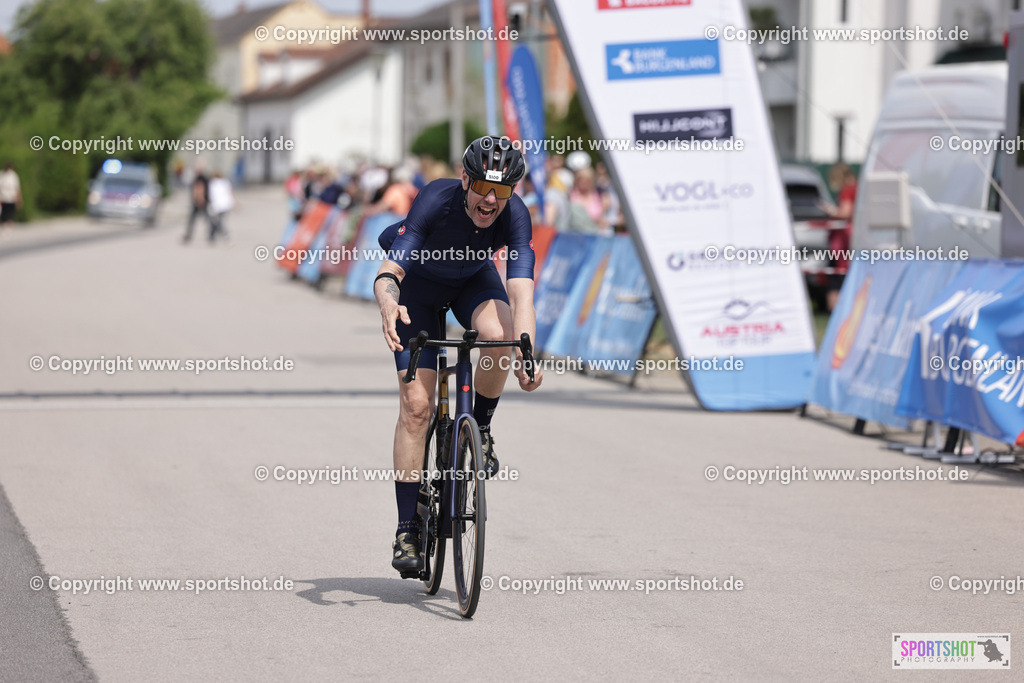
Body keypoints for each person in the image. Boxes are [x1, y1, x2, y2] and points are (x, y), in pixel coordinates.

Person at [374, 135, 544, 578]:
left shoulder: (516, 215)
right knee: (416, 408)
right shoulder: (435, 198)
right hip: (420, 288)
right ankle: (407, 528)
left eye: (502, 191)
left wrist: (526, 351)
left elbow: (521, 291)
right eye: (483, 188)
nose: (491, 200)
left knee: (500, 337)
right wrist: (389, 304)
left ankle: (480, 427)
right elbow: (390, 273)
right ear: (465, 179)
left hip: (471, 280)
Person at [822, 163, 858, 311]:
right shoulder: (858, 188)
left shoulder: (848, 190)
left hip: (842, 245)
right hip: (851, 243)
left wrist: (831, 211)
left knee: (835, 284)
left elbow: (845, 213)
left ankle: (835, 317)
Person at [183, 164, 210, 243]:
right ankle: (212, 235)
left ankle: (188, 235)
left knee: (194, 220)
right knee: (206, 219)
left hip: (199, 202)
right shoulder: (204, 178)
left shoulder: (199, 178)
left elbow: (199, 189)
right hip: (203, 201)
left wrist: (199, 199)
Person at [207, 172, 235, 243]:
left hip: (218, 205)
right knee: (220, 220)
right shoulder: (225, 182)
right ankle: (216, 234)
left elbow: (211, 195)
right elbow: (230, 192)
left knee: (219, 221)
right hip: (226, 204)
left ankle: (223, 233)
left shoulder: (213, 183)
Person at [0, 162, 22, 235]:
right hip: (3, 198)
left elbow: (17, 188)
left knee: (11, 214)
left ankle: (9, 229)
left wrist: (18, 199)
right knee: (3, 213)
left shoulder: (13, 176)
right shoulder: (2, 174)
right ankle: (3, 228)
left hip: (11, 198)